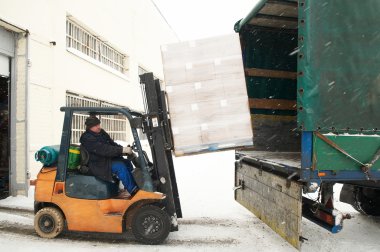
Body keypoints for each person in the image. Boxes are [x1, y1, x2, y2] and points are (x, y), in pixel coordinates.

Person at [80, 116, 138, 198]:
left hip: (106, 160)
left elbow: (112, 144)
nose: (99, 127)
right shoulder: (87, 138)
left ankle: (134, 187)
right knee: (120, 166)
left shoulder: (101, 133)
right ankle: (134, 192)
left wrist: (123, 150)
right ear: (90, 127)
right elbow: (104, 149)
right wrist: (121, 150)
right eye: (96, 126)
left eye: (99, 124)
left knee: (127, 162)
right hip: (97, 164)